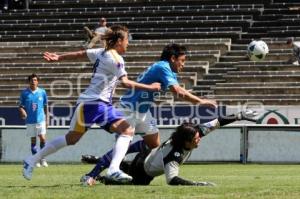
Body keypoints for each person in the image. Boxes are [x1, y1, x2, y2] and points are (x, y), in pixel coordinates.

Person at [22, 24, 161, 183]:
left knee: (71, 139)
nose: (128, 43)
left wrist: (60, 57)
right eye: (127, 40)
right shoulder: (116, 59)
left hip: (90, 104)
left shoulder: (101, 52)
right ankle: (113, 169)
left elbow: (81, 53)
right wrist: (150, 87)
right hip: (96, 103)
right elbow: (126, 83)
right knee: (127, 130)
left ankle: (31, 160)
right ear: (119, 41)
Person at [80, 43, 217, 185]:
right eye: (182, 60)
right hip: (128, 110)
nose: (183, 64)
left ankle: (113, 157)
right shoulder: (163, 67)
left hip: (143, 112)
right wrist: (200, 101)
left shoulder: (166, 68)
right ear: (173, 58)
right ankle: (91, 175)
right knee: (128, 145)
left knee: (154, 145)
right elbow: (177, 92)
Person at [81, 110, 258, 186]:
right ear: (186, 142)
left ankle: (99, 160)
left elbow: (218, 121)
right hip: (143, 171)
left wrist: (240, 115)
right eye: (196, 139)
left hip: (147, 156)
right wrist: (196, 184)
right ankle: (103, 178)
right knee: (124, 183)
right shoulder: (175, 154)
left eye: (198, 136)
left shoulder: (192, 134)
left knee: (125, 165)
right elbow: (172, 180)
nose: (199, 140)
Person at [19, 73, 49, 168]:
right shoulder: (24, 93)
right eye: (32, 80)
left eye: (35, 80)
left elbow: (45, 106)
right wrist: (23, 111)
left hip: (41, 119)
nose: (33, 81)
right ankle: (35, 159)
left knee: (43, 138)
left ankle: (43, 159)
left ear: (37, 81)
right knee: (33, 140)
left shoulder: (42, 92)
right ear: (29, 82)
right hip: (30, 120)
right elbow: (20, 106)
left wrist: (47, 119)